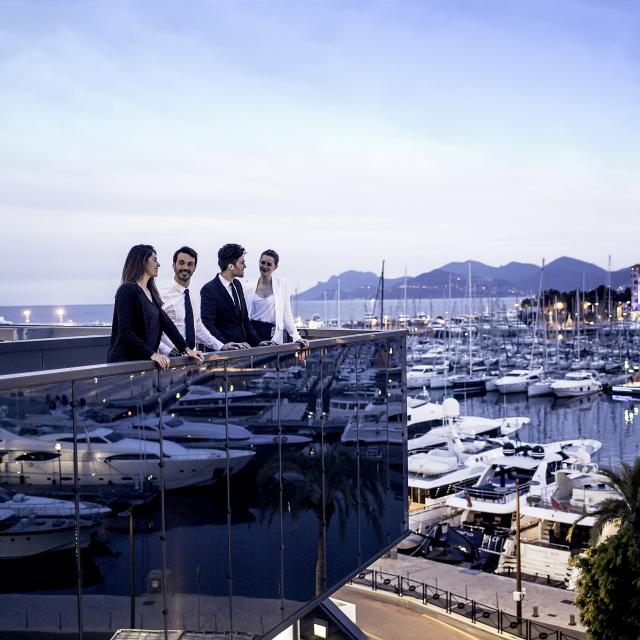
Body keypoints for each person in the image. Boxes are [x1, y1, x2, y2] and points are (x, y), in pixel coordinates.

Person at [107, 244, 204, 369]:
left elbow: (166, 323)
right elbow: (125, 331)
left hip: (143, 364)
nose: (158, 264)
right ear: (142, 261)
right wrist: (152, 354)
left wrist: (186, 349)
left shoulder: (150, 292)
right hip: (125, 365)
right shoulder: (127, 290)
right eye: (154, 260)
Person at [158, 246, 242, 355]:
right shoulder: (161, 295)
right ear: (173, 265)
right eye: (181, 263)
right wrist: (166, 351)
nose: (185, 267)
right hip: (169, 363)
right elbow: (151, 331)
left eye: (190, 264)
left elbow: (198, 328)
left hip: (192, 361)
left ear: (195, 267)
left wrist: (221, 346)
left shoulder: (194, 294)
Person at [200, 243, 266, 348]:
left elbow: (244, 319)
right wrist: (224, 345)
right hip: (222, 356)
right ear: (231, 266)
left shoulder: (237, 285)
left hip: (242, 352)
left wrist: (258, 342)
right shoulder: (209, 290)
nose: (245, 266)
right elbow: (207, 324)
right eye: (242, 263)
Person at [245, 249, 309, 346]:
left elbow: (287, 314)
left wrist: (296, 337)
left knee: (271, 360)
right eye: (262, 263)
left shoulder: (282, 285)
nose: (265, 266)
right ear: (259, 262)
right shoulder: (248, 286)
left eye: (269, 264)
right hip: (252, 335)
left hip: (272, 335)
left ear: (275, 267)